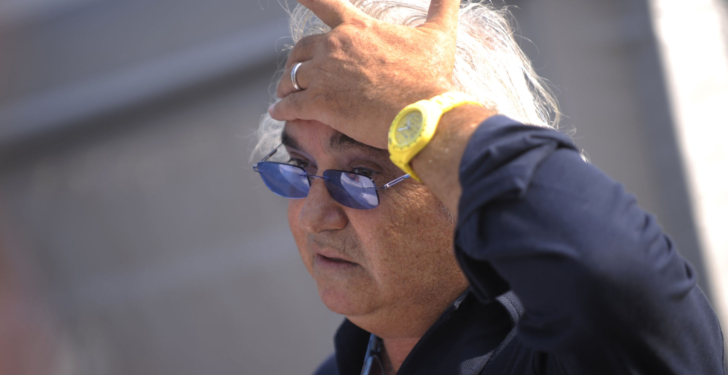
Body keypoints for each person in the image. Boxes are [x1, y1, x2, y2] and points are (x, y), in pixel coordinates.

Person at [253, 0, 725, 374]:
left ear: (462, 181)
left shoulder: (569, 355)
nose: (315, 215)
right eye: (298, 165)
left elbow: (615, 272)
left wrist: (421, 103)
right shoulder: (343, 367)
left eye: (359, 175)